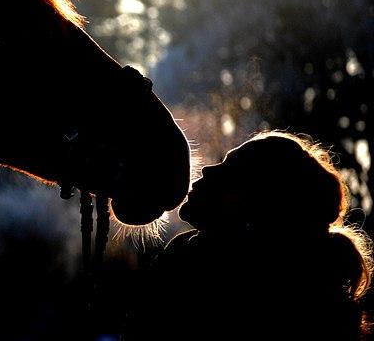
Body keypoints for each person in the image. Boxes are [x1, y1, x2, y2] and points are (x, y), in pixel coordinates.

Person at [126, 131, 373, 340]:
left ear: (259, 204)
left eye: (230, 170)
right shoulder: (192, 256)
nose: (208, 170)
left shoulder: (200, 273)